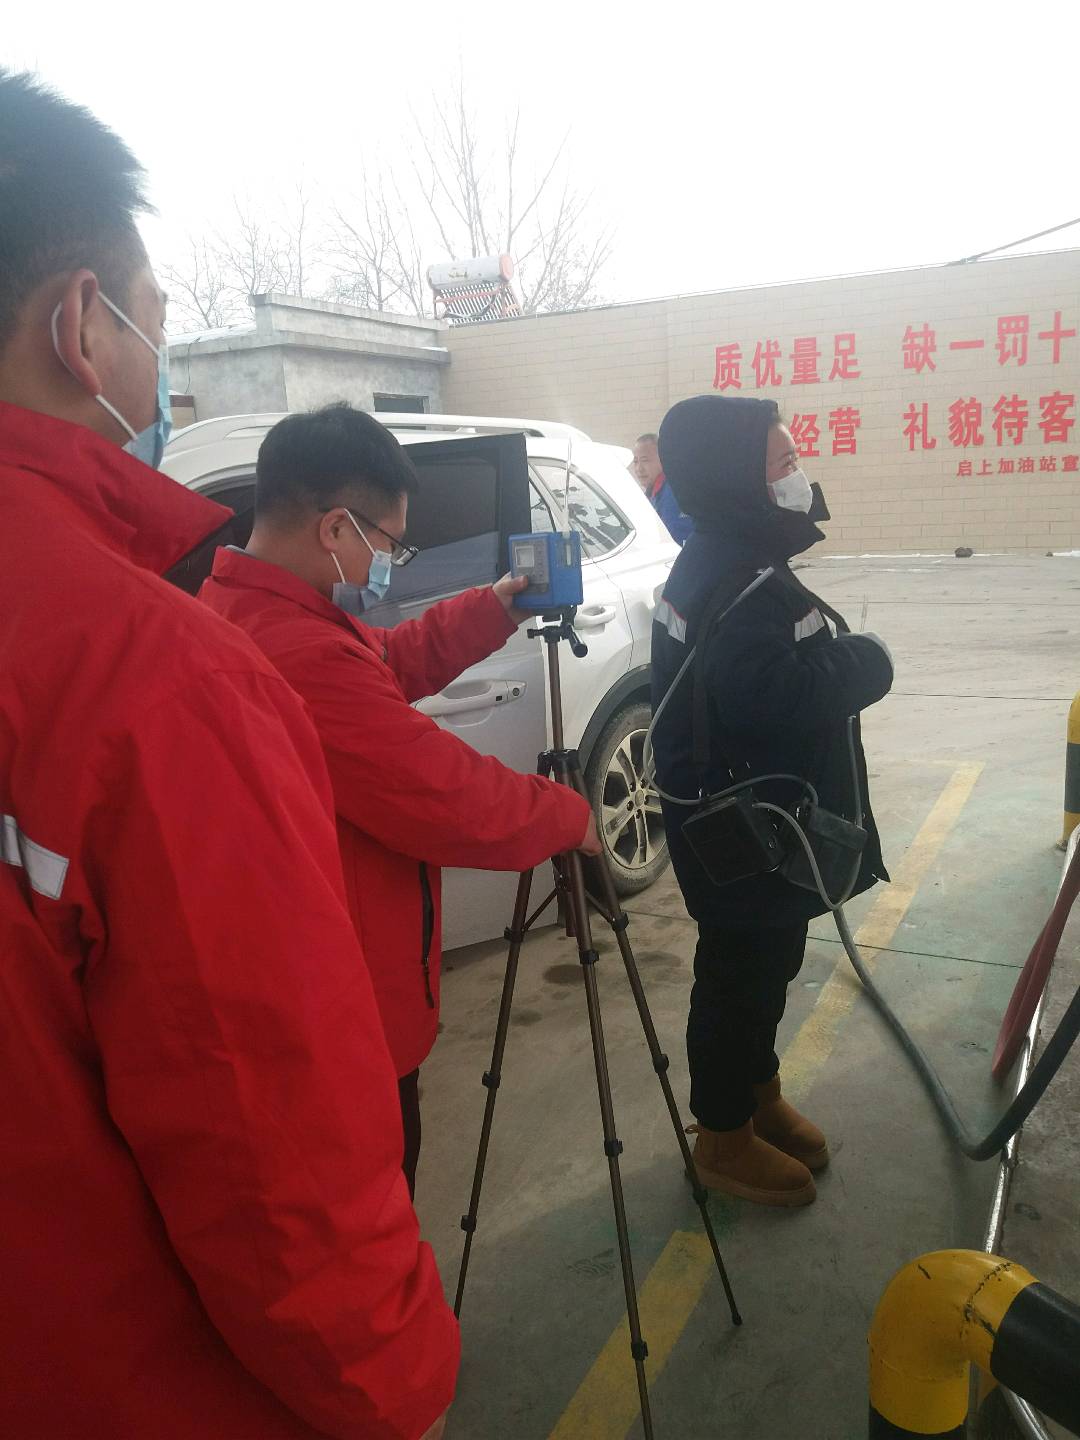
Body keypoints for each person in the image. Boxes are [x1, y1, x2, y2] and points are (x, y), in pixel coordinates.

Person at [0, 70, 456, 1440]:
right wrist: (401, 1386)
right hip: (130, 1375)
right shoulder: (165, 673)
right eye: (153, 320)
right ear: (83, 324)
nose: (160, 367)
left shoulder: (236, 631)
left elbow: (384, 674)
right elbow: (268, 1152)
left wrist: (489, 612)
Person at [199, 403, 601, 1195]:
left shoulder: (252, 607)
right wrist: (568, 815)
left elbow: (383, 662)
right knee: (375, 1196)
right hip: (341, 1004)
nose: (391, 562)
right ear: (335, 528)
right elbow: (442, 795)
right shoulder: (293, 649)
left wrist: (494, 606)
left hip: (312, 981)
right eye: (390, 543)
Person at [650, 394, 894, 1208]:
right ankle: (722, 1138)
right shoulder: (737, 581)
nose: (798, 475)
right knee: (739, 977)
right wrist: (866, 661)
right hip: (743, 828)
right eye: (782, 463)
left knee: (767, 963)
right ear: (734, 479)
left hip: (751, 819)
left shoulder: (726, 558)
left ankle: (757, 1097)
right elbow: (770, 696)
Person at [633, 430, 692, 545]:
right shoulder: (653, 492)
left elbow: (675, 543)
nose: (639, 468)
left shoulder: (672, 495)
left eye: (645, 460)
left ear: (663, 459)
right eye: (635, 461)